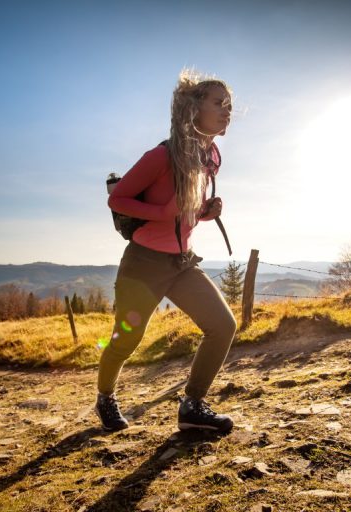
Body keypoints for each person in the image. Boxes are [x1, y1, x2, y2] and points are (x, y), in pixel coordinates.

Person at [95, 70, 236, 433]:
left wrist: (204, 213)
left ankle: (192, 406)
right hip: (144, 263)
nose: (227, 111)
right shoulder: (161, 155)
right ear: (193, 108)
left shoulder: (210, 156)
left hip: (182, 262)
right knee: (126, 339)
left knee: (222, 326)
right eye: (218, 103)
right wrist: (159, 213)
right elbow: (118, 197)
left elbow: (183, 211)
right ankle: (106, 397)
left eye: (229, 105)